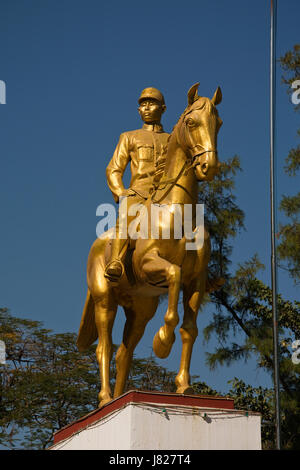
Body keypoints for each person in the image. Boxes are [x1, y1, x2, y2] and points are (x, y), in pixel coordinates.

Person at [104, 87, 170, 282]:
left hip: (166, 197)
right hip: (138, 194)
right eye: (142, 104)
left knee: (196, 221)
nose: (146, 108)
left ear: (163, 108)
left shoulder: (172, 140)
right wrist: (121, 192)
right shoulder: (129, 137)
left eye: (152, 103)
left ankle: (201, 271)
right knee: (125, 220)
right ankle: (115, 261)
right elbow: (113, 169)